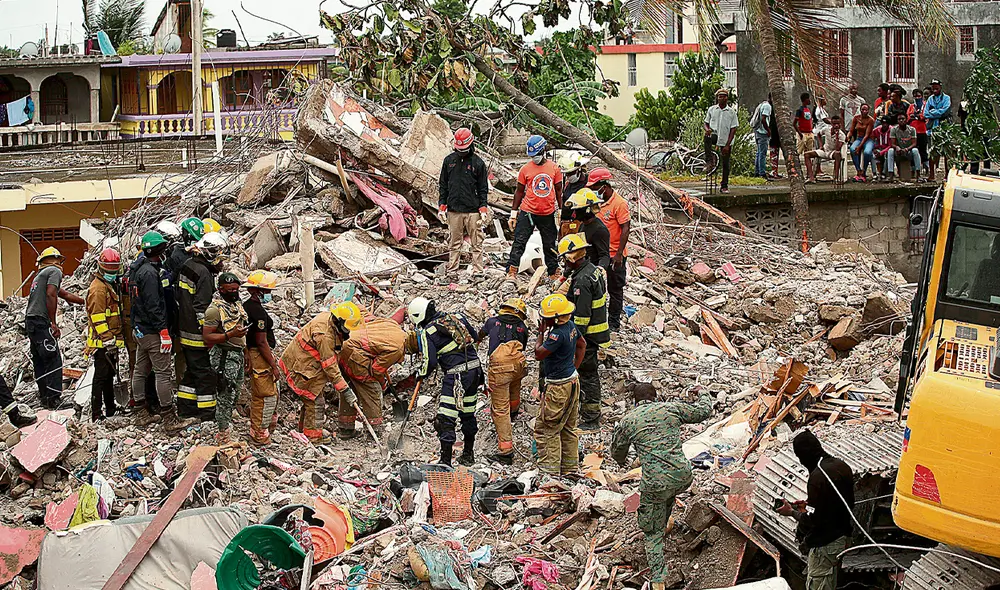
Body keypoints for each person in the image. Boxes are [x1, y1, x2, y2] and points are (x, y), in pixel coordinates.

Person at [611, 384, 712, 589]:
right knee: (667, 493)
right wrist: (702, 392)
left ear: (634, 401)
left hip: (656, 484)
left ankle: (658, 579)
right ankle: (664, 523)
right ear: (656, 398)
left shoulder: (628, 421)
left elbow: (617, 453)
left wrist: (625, 461)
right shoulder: (670, 408)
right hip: (683, 476)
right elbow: (703, 411)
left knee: (651, 533)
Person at [129, 231, 197, 430]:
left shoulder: (138, 268)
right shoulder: (150, 274)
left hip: (140, 329)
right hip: (153, 331)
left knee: (140, 370)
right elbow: (154, 305)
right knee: (163, 373)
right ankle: (169, 418)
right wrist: (163, 332)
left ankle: (140, 412)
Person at [406, 297, 483, 466]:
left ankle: (445, 462)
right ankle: (468, 454)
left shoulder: (428, 331)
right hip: (475, 371)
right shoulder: (457, 317)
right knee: (468, 414)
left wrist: (420, 374)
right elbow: (475, 336)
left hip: (456, 376)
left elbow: (430, 361)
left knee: (446, 418)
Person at [776, 430, 855, 590]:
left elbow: (813, 521)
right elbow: (841, 503)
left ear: (804, 456)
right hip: (842, 538)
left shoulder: (817, 477)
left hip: (825, 544)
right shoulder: (841, 465)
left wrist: (791, 512)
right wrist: (808, 505)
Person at [280, 304, 356, 443]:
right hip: (302, 367)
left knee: (310, 401)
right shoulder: (324, 336)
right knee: (315, 403)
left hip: (305, 363)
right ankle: (313, 438)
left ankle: (303, 433)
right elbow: (330, 366)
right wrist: (345, 390)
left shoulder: (329, 319)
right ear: (339, 322)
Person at [557, 234, 611, 430]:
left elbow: (582, 317)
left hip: (588, 336)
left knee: (587, 375)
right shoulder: (592, 270)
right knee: (588, 374)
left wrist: (573, 340)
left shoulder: (582, 280)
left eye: (565, 258)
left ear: (571, 257)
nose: (564, 263)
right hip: (596, 332)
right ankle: (587, 410)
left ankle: (591, 417)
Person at [176, 232, 228, 421]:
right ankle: (207, 414)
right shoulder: (204, 273)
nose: (220, 262)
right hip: (197, 335)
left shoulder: (188, 265)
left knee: (192, 371)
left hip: (184, 328)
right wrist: (209, 333)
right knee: (205, 374)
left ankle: (186, 408)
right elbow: (201, 308)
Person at [25, 246, 84, 410]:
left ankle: (45, 397)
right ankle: (54, 399)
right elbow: (51, 294)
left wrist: (85, 302)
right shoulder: (54, 271)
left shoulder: (40, 275)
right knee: (53, 359)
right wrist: (53, 323)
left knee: (40, 359)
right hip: (41, 321)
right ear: (56, 259)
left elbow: (63, 294)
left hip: (31, 321)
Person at [336, 302, 407, 439]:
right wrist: (382, 383)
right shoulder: (398, 349)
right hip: (353, 352)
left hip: (342, 346)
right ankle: (374, 431)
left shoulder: (392, 325)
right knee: (372, 388)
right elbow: (376, 370)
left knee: (350, 386)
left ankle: (346, 428)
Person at [534, 293, 586, 475]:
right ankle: (570, 469)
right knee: (569, 428)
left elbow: (538, 354)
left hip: (558, 387)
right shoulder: (570, 326)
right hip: (572, 381)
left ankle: (550, 473)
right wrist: (574, 368)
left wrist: (540, 333)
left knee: (548, 428)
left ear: (555, 318)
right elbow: (582, 345)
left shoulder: (557, 335)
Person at [478, 297, 529, 464]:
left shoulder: (492, 322)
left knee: (500, 408)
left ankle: (505, 451)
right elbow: (524, 346)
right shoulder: (522, 327)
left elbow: (480, 335)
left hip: (500, 367)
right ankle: (514, 412)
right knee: (514, 387)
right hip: (518, 363)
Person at [507, 135, 563, 282]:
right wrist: (513, 213)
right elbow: (519, 192)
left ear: (543, 150)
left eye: (537, 154)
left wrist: (560, 209)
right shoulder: (525, 169)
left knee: (550, 244)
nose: (535, 158)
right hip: (528, 212)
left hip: (548, 213)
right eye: (532, 156)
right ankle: (512, 271)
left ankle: (553, 272)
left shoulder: (554, 168)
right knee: (519, 242)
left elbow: (559, 190)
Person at [202, 273, 248, 443]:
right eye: (230, 290)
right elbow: (207, 337)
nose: (234, 292)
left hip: (237, 354)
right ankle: (223, 433)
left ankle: (226, 421)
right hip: (224, 355)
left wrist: (245, 352)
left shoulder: (236, 304)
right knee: (225, 395)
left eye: (236, 289)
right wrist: (230, 334)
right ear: (221, 290)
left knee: (235, 392)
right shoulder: (214, 310)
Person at [439, 128, 489, 274]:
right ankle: (452, 270)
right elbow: (443, 185)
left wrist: (483, 208)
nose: (461, 152)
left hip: (473, 210)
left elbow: (483, 188)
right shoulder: (449, 161)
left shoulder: (478, 163)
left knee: (476, 242)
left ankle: (478, 271)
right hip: (453, 209)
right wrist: (442, 206)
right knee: (454, 243)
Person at [85, 248, 124, 421]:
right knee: (100, 377)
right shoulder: (98, 290)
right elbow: (98, 318)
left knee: (109, 376)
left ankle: (110, 408)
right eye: (109, 270)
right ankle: (96, 412)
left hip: (110, 340)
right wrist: (108, 340)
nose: (112, 273)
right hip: (102, 343)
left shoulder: (108, 286)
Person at [589, 169, 631, 331]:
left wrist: (619, 254)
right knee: (595, 287)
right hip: (599, 253)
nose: (593, 190)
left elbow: (625, 228)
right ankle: (596, 319)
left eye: (595, 188)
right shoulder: (595, 202)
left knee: (615, 289)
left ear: (604, 187)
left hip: (614, 254)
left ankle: (614, 323)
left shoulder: (619, 204)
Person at [242, 270, 280, 445]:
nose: (269, 294)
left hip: (255, 354)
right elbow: (261, 341)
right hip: (260, 356)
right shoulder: (257, 312)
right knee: (265, 396)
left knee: (262, 395)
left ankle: (261, 430)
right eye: (267, 291)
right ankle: (259, 434)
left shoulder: (247, 306)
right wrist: (273, 365)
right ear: (257, 291)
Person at [563, 188, 610, 271]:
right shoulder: (583, 225)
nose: (574, 214)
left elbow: (604, 256)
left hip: (592, 270)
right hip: (584, 269)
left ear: (587, 210)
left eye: (577, 210)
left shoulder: (599, 230)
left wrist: (599, 270)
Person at [703, 88, 739, 193]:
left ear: (727, 98)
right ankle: (709, 160)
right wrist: (707, 129)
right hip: (714, 135)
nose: (722, 98)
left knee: (725, 164)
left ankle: (724, 185)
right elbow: (706, 123)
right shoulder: (712, 109)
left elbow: (733, 129)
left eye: (724, 96)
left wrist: (727, 145)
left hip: (725, 139)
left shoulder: (731, 112)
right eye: (720, 96)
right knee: (707, 138)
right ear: (717, 98)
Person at [804, 115, 846, 183]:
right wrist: (821, 145)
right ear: (831, 123)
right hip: (825, 150)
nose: (836, 126)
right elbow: (819, 134)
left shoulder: (842, 135)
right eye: (834, 124)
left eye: (838, 124)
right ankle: (811, 177)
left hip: (832, 152)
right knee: (807, 154)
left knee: (837, 154)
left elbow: (837, 148)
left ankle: (836, 178)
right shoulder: (826, 129)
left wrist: (837, 137)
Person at [924, 79, 952, 181]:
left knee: (946, 153)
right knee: (932, 152)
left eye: (936, 86)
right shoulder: (930, 99)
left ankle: (947, 175)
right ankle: (932, 175)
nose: (934, 88)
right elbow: (925, 113)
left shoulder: (946, 98)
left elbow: (945, 111)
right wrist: (938, 113)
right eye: (933, 86)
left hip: (944, 129)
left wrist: (933, 112)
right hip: (932, 130)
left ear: (940, 86)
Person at [558, 152, 590, 225]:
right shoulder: (567, 184)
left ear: (579, 169)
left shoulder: (588, 184)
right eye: (567, 174)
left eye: (570, 173)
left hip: (581, 223)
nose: (568, 176)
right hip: (567, 223)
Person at [888, 112, 921, 182]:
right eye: (899, 119)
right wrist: (897, 147)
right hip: (898, 151)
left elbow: (914, 143)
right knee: (890, 151)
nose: (901, 120)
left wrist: (907, 149)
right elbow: (892, 143)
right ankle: (890, 175)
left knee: (915, 150)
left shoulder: (912, 129)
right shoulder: (894, 129)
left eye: (903, 119)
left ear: (906, 119)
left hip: (909, 151)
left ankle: (918, 175)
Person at [848, 104, 876, 181]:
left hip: (868, 139)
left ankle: (864, 171)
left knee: (867, 152)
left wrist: (859, 147)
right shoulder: (856, 118)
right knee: (852, 149)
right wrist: (848, 137)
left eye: (866, 110)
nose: (864, 111)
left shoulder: (871, 120)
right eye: (863, 109)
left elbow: (867, 135)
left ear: (868, 111)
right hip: (859, 138)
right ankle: (858, 170)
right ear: (860, 110)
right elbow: (851, 130)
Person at [752, 95, 773, 178]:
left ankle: (757, 172)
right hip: (763, 132)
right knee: (762, 154)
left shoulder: (762, 104)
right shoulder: (767, 106)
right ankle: (762, 173)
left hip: (758, 131)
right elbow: (763, 119)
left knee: (759, 153)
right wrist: (768, 130)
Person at [909, 89, 929, 175]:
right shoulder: (911, 106)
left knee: (923, 150)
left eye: (919, 96)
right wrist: (915, 117)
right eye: (915, 96)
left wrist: (917, 116)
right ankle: (913, 169)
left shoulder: (925, 105)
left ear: (922, 96)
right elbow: (908, 117)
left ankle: (926, 168)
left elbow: (925, 116)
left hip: (923, 130)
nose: (917, 98)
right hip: (913, 131)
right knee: (913, 150)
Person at [812, 95, 832, 177]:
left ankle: (818, 169)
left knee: (820, 150)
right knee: (819, 150)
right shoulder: (819, 109)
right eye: (824, 99)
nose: (826, 101)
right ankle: (817, 169)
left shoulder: (821, 109)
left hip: (821, 132)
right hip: (819, 133)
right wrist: (834, 122)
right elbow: (825, 120)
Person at [794, 92, 816, 163]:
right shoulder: (800, 110)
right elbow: (794, 123)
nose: (810, 100)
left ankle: (808, 167)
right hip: (802, 134)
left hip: (809, 133)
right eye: (808, 99)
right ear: (805, 100)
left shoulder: (808, 109)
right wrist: (800, 134)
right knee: (798, 151)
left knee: (809, 153)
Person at [872, 116, 894, 181]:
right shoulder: (876, 130)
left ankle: (884, 173)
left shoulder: (892, 130)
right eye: (883, 123)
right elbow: (872, 139)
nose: (884, 125)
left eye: (886, 123)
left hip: (887, 149)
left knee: (888, 154)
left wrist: (882, 152)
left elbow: (891, 145)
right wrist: (874, 148)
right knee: (872, 155)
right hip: (879, 148)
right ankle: (874, 173)